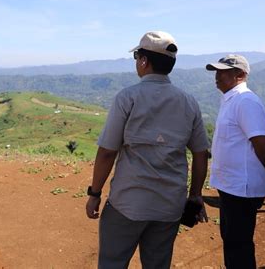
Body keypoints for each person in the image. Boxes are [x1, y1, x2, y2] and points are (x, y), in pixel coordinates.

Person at [85, 31, 210, 269]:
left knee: (112, 263)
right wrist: (195, 195)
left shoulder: (127, 98)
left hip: (128, 203)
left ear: (143, 61)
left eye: (136, 57)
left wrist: (95, 193)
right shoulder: (189, 101)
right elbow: (201, 153)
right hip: (169, 207)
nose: (136, 62)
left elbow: (107, 152)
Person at [206, 54, 265, 269]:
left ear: (240, 74)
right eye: (216, 71)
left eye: (223, 71)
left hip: (242, 188)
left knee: (238, 246)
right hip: (233, 186)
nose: (217, 76)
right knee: (233, 242)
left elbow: (263, 145)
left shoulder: (245, 101)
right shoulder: (232, 99)